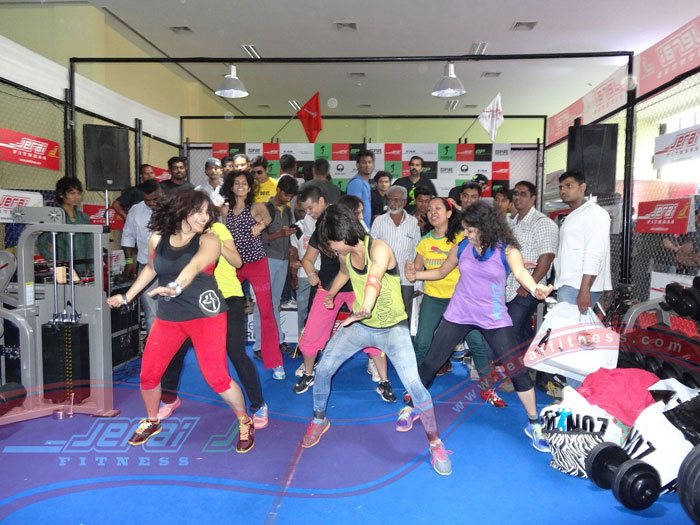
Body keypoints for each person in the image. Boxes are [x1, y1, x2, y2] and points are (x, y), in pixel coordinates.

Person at [301, 204, 452, 476]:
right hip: (361, 326)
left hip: (393, 329)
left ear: (343, 235)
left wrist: (366, 307)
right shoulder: (346, 254)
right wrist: (331, 293)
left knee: (415, 386)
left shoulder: (379, 248)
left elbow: (374, 279)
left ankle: (435, 443)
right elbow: (345, 273)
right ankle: (319, 419)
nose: (329, 248)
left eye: (331, 242)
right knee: (323, 370)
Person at [106, 189, 254, 452]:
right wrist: (127, 297)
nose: (204, 217)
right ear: (181, 210)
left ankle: (244, 421)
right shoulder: (157, 238)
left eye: (208, 212)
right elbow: (151, 268)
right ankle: (152, 421)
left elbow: (193, 267)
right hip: (170, 316)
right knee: (148, 374)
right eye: (199, 211)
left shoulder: (210, 239)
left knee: (217, 378)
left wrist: (174, 288)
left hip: (206, 315)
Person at [404, 201, 553, 452]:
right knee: (431, 362)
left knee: (516, 368)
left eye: (470, 230)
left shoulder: (507, 250)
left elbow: (520, 273)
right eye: (464, 229)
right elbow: (441, 272)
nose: (466, 234)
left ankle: (534, 423)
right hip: (459, 312)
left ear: (486, 227)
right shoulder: (462, 246)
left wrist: (535, 288)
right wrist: (416, 275)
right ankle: (413, 406)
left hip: (493, 317)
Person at [156, 219, 270, 429]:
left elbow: (237, 262)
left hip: (228, 296)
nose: (199, 216)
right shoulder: (181, 233)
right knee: (175, 349)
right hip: (194, 299)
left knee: (235, 351)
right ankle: (169, 398)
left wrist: (216, 242)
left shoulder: (218, 229)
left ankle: (258, 404)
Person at [294, 187, 396, 403]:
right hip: (329, 287)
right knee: (311, 334)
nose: (333, 249)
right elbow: (337, 269)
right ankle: (309, 373)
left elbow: (369, 273)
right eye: (358, 213)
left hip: (357, 290)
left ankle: (384, 380)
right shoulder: (323, 231)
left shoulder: (362, 239)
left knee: (373, 333)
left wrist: (367, 302)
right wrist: (323, 286)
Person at [411, 197, 507, 408]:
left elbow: (487, 258)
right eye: (429, 209)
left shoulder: (464, 238)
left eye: (438, 208)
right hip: (433, 298)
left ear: (449, 213)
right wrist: (412, 272)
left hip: (461, 302)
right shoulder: (424, 241)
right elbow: (419, 268)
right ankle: (416, 388)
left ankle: (487, 389)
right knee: (422, 343)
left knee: (477, 344)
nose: (432, 212)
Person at [219, 170, 284, 379]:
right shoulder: (225, 210)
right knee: (223, 308)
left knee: (266, 311)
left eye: (244, 183)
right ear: (231, 186)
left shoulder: (256, 207)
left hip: (257, 264)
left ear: (249, 187)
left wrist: (261, 226)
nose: (240, 186)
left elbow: (268, 218)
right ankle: (219, 359)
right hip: (234, 266)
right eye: (237, 183)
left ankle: (275, 362)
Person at [506, 181, 558, 348]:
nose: (517, 197)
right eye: (515, 193)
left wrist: (529, 285)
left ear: (533, 198)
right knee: (522, 331)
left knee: (511, 329)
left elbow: (547, 257)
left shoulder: (543, 223)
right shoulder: (511, 223)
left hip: (528, 287)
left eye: (523, 194)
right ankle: (529, 361)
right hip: (510, 287)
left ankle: (515, 364)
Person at [554, 171, 612, 313]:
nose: (563, 190)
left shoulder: (594, 213)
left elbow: (595, 253)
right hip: (571, 284)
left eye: (569, 186)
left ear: (583, 187)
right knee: (572, 327)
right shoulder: (575, 214)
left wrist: (584, 290)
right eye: (561, 187)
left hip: (578, 287)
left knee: (570, 326)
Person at [259, 175, 299, 358]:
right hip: (267, 259)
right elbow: (258, 238)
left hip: (282, 259)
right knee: (263, 303)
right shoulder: (265, 209)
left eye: (291, 196)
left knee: (275, 302)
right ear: (278, 190)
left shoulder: (288, 210)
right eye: (286, 195)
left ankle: (277, 340)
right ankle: (260, 345)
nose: (288, 198)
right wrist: (279, 234)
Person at [370, 185, 420, 321]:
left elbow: (418, 253)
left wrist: (418, 282)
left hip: (406, 279)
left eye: (396, 200)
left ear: (404, 202)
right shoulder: (379, 221)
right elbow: (371, 249)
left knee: (405, 316)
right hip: (384, 278)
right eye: (390, 200)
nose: (392, 203)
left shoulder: (413, 222)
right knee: (385, 315)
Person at [120, 179, 163, 331]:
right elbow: (128, 236)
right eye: (147, 200)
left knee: (173, 311)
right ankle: (155, 345)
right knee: (151, 313)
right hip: (146, 266)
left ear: (161, 192)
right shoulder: (136, 210)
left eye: (155, 199)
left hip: (171, 267)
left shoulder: (173, 207)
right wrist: (129, 261)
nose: (151, 203)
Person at [38, 176, 93, 276]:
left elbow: (89, 245)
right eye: (72, 193)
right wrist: (56, 262)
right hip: (61, 270)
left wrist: (93, 269)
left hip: (81, 268)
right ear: (61, 194)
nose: (76, 197)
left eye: (78, 193)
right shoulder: (54, 217)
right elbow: (42, 244)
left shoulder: (83, 217)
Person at [346, 149, 374, 227]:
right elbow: (354, 210)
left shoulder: (365, 182)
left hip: (365, 228)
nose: (367, 165)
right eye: (364, 162)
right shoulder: (356, 183)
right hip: (358, 228)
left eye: (369, 162)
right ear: (357, 165)